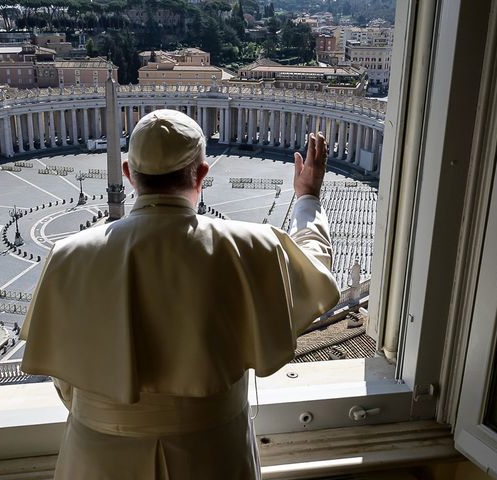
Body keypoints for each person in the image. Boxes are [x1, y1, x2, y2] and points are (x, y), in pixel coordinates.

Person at [20, 109, 340, 479]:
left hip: (97, 458)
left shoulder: (68, 255)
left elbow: (64, 378)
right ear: (202, 173)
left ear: (128, 174)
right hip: (212, 453)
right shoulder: (251, 246)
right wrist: (307, 198)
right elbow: (315, 268)